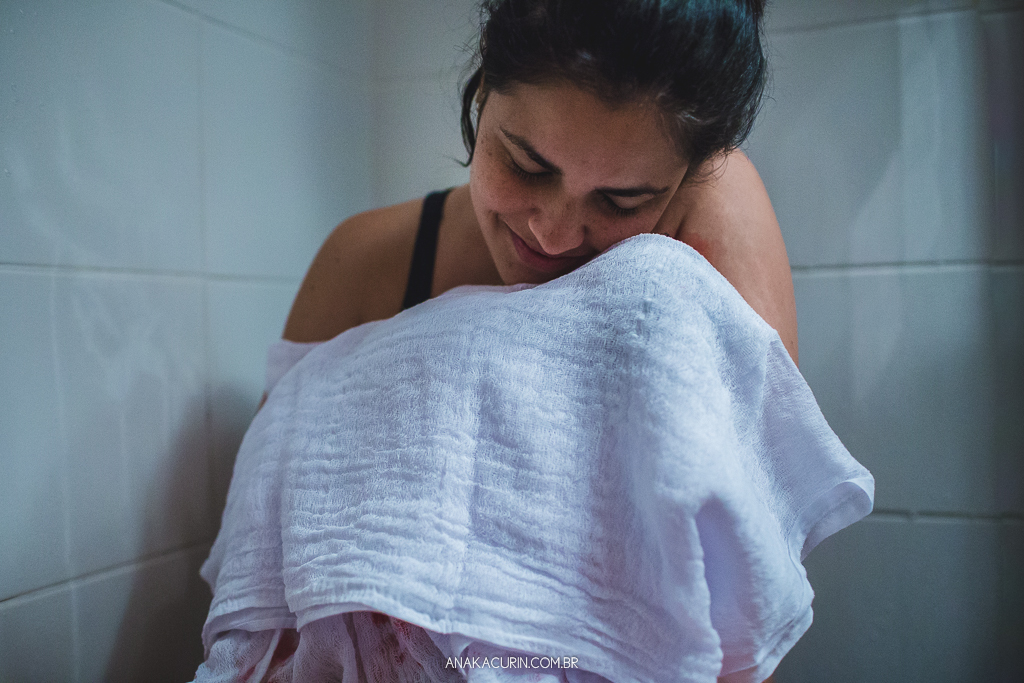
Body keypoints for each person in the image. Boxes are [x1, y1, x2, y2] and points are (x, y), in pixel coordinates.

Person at [208, 1, 798, 680]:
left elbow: (751, 588)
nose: (553, 232)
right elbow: (259, 580)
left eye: (621, 201)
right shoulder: (363, 266)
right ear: (485, 85)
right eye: (525, 164)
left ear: (689, 174)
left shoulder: (713, 211)